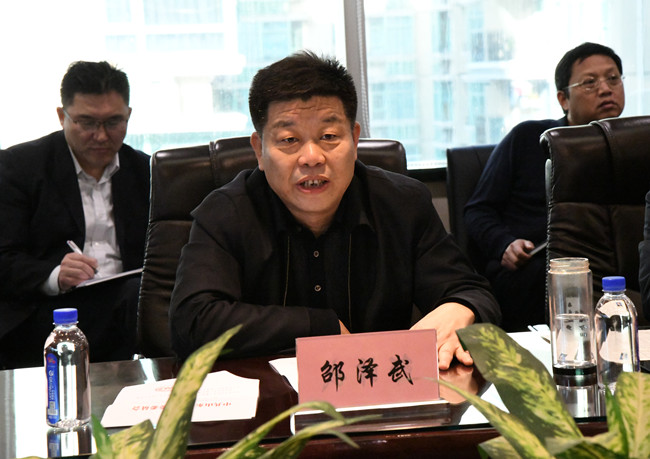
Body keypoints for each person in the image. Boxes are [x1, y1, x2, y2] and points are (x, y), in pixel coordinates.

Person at [170, 51, 500, 370]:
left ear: (354, 140)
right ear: (259, 150)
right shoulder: (225, 213)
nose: (312, 157)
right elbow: (193, 321)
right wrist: (318, 326)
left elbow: (472, 292)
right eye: (289, 140)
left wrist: (461, 307)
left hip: (382, 397)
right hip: (270, 402)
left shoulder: (403, 204)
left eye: (328, 136)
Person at [464, 42, 625, 331]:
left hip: (613, 273)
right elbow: (478, 211)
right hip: (535, 270)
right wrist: (505, 244)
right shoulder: (528, 138)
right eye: (590, 82)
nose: (605, 89)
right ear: (563, 99)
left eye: (613, 79)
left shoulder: (634, 148)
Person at [0, 61, 150, 369]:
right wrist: (54, 274)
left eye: (113, 122)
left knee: (141, 298)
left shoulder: (148, 172)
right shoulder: (19, 167)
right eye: (87, 122)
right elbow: (4, 257)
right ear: (62, 116)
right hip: (47, 311)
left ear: (128, 115)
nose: (101, 136)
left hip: (129, 304)